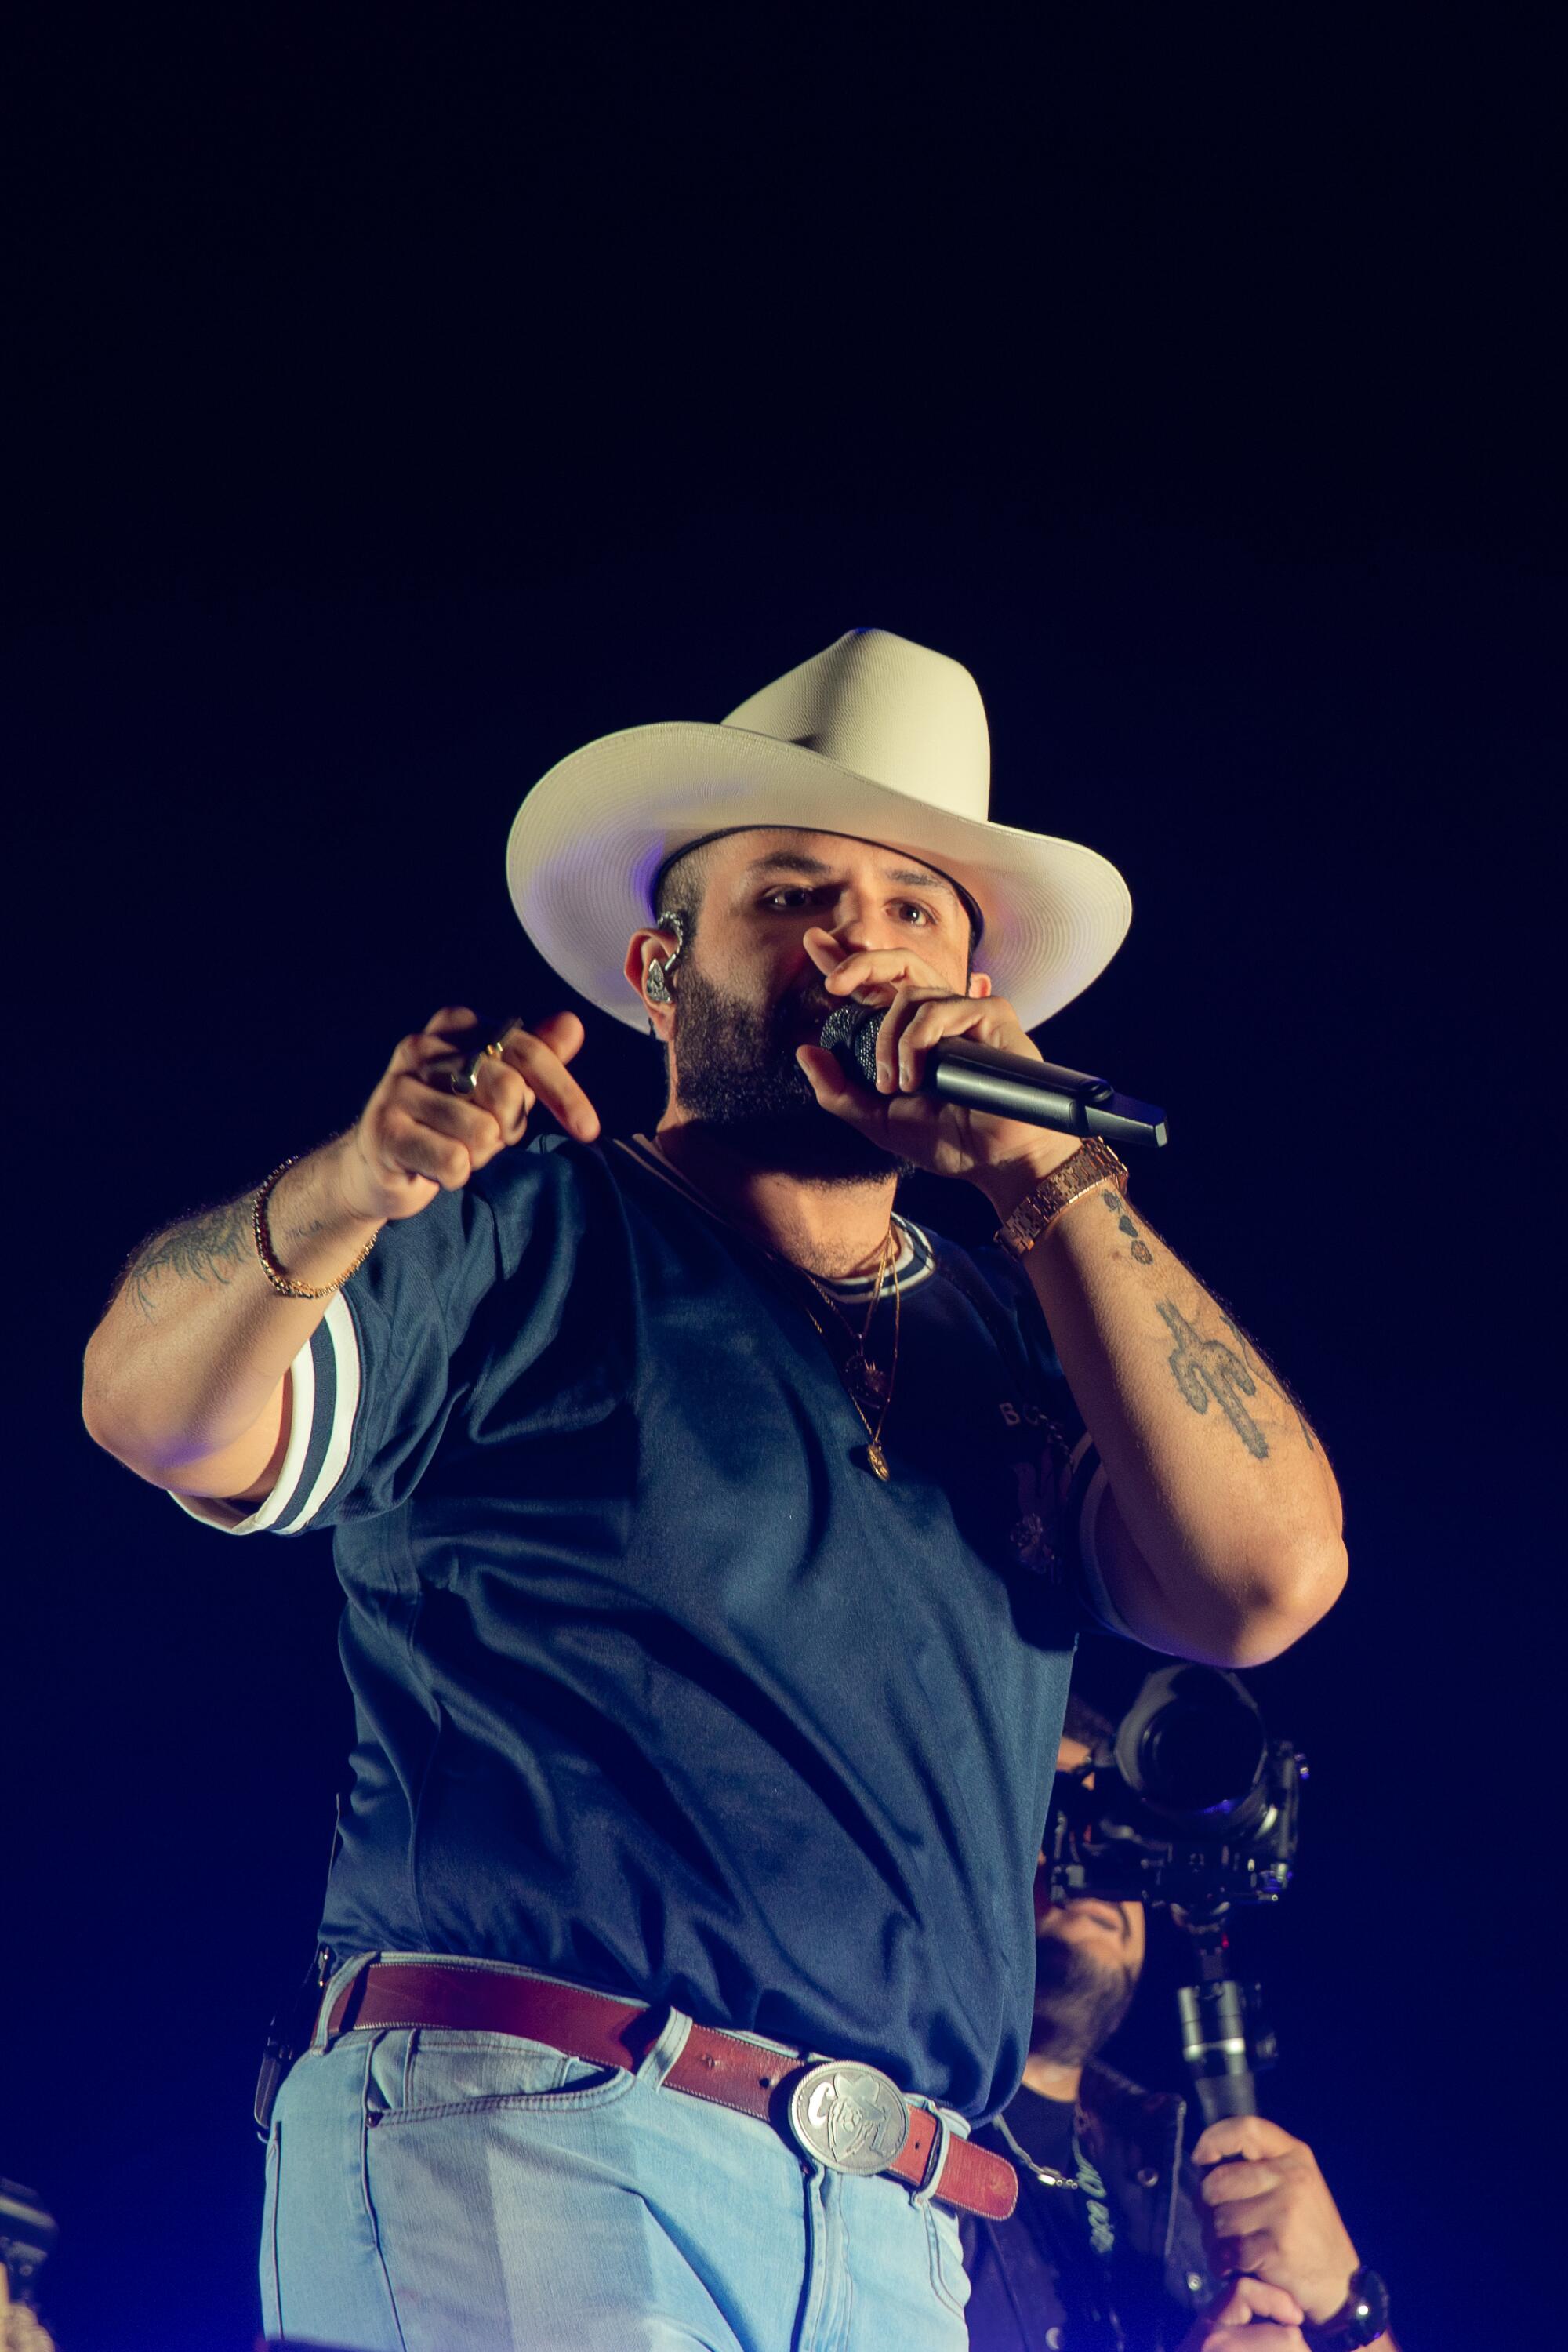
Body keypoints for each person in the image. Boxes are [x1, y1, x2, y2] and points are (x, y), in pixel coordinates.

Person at [83, 630, 1347, 2351]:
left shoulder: (1019, 1337)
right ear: (658, 964)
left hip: (900, 2218)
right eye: (795, 892)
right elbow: (151, 1412)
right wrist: (345, 1191)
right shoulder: (516, 1228)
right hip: (538, 2125)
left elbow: (1267, 1580)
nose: (859, 939)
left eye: (915, 912)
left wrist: (1048, 1165)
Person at [963, 1698, 1395, 2352]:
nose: (1090, 1859)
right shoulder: (878, 2132)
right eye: (1049, 1820)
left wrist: (1345, 2304)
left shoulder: (1202, 2189)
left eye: (1115, 1829)